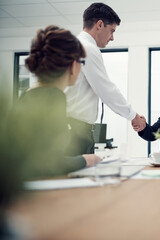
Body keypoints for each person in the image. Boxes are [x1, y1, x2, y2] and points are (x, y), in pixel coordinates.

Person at [6, 25, 102, 179]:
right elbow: (43, 162)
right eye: (81, 63)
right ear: (73, 65)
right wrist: (84, 160)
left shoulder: (31, 93)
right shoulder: (52, 96)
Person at [64, 2, 146, 156]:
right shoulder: (87, 48)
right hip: (76, 131)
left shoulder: (74, 46)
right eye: (111, 31)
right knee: (77, 178)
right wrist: (133, 116)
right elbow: (106, 90)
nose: (112, 38)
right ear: (99, 25)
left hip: (74, 129)